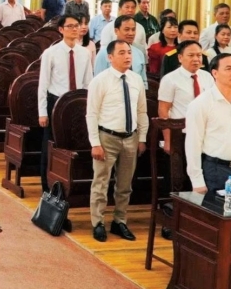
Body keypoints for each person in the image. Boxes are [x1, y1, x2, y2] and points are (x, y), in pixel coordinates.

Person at [86, 40, 148, 242]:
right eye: (122, 52)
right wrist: (95, 143)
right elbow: (91, 114)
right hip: (107, 138)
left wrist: (142, 138)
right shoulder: (100, 81)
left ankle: (119, 221)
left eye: (129, 52)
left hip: (131, 137)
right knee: (101, 183)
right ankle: (98, 222)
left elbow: (141, 111)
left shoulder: (136, 79)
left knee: (125, 184)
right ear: (110, 57)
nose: (127, 56)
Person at [185, 54, 231, 195]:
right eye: (228, 69)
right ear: (215, 73)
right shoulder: (201, 103)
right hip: (215, 169)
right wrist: (197, 181)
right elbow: (193, 144)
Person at [38, 16, 93, 190]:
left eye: (77, 26)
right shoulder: (50, 53)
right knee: (51, 146)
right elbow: (43, 84)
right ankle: (47, 189)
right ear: (61, 30)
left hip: (77, 104)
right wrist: (42, 112)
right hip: (56, 102)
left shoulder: (84, 53)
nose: (75, 29)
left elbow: (88, 82)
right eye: (70, 26)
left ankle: (71, 188)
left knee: (74, 144)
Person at [157, 41, 213, 150]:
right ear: (180, 58)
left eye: (199, 55)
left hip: (206, 133)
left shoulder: (208, 77)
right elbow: (163, 110)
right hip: (181, 133)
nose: (196, 59)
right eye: (191, 55)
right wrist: (168, 140)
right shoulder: (170, 79)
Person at [93, 16, 147, 85]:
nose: (131, 33)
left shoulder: (139, 54)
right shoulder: (104, 53)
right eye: (127, 29)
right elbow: (97, 82)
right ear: (116, 31)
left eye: (133, 30)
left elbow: (143, 82)